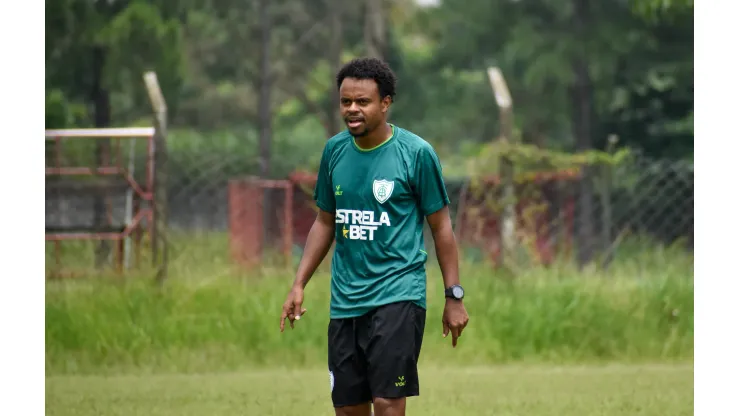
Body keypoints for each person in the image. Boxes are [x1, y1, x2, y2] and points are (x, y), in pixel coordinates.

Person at [280, 57, 469, 416]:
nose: (352, 109)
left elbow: (442, 227)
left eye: (362, 102)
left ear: (386, 103)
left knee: (386, 404)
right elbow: (325, 222)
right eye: (345, 101)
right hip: (346, 301)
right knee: (349, 409)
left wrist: (453, 295)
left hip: (398, 295)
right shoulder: (334, 151)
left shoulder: (416, 154)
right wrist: (299, 283)